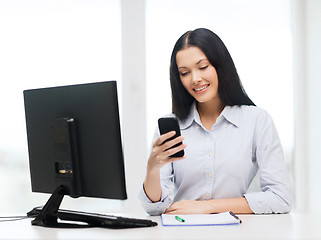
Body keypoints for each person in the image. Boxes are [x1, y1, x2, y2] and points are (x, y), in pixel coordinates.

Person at [139, 28, 293, 216]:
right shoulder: (172, 126)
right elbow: (153, 208)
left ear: (220, 66)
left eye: (203, 67)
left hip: (240, 232)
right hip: (182, 231)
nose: (195, 79)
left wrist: (208, 206)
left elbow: (281, 198)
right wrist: (152, 168)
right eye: (185, 72)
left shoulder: (257, 120)